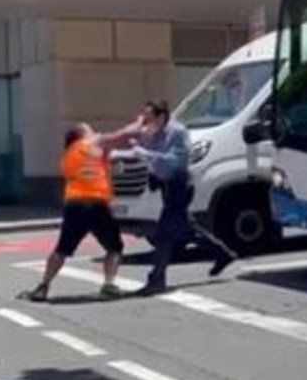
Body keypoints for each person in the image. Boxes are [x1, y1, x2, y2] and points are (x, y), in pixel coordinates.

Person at [19, 118, 141, 303]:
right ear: (82, 135)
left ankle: (43, 286)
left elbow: (98, 163)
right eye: (91, 131)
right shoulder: (91, 143)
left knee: (62, 249)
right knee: (115, 247)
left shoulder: (69, 154)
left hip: (74, 204)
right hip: (95, 202)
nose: (96, 133)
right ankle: (109, 284)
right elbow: (122, 135)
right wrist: (141, 122)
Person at [130, 100, 236, 295]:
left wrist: (147, 153)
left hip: (179, 186)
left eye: (149, 118)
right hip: (165, 186)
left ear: (161, 117)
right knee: (187, 228)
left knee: (163, 233)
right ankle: (224, 254)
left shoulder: (177, 133)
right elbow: (148, 155)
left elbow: (176, 160)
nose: (147, 122)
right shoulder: (154, 133)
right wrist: (140, 142)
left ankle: (157, 279)